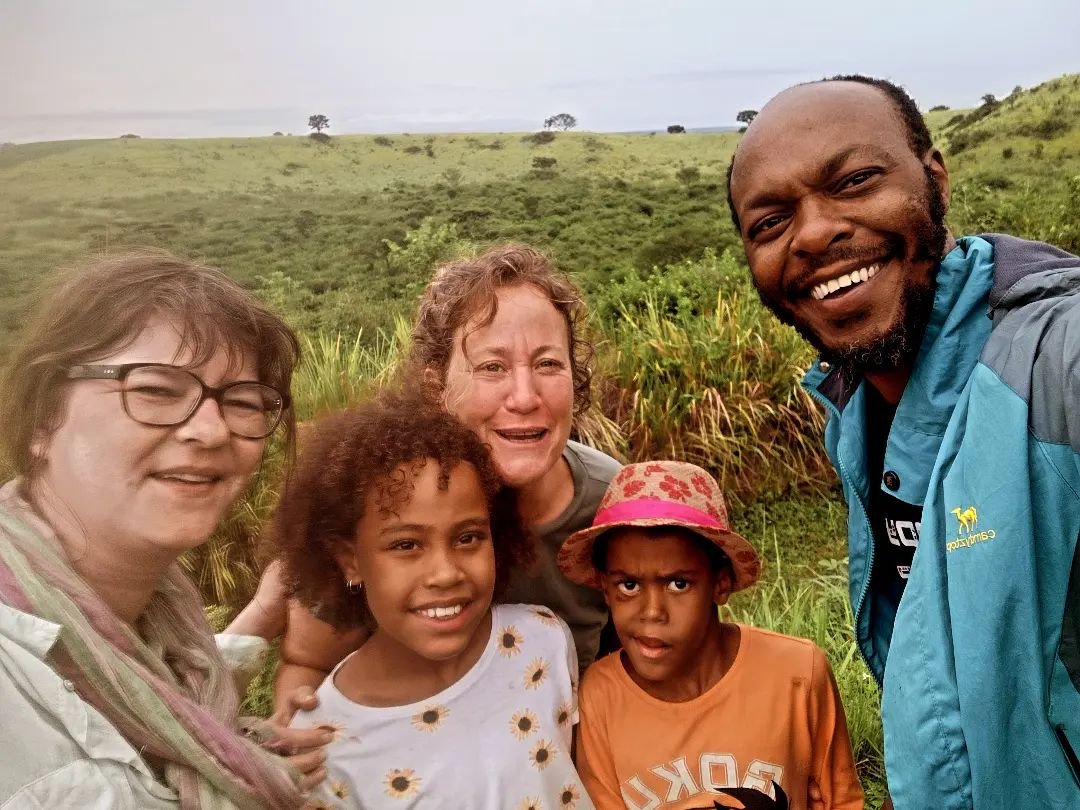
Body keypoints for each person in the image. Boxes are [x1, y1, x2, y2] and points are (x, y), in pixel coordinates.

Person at [726, 75, 1080, 809]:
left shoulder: (1053, 358)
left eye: (855, 181)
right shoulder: (854, 407)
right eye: (770, 222)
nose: (815, 233)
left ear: (934, 177)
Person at [0, 252, 331, 808]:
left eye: (243, 401)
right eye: (154, 390)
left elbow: (132, 688)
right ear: (42, 418)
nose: (211, 429)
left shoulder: (151, 620)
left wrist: (232, 742)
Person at [229, 244, 621, 699]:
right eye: (491, 367)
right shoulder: (383, 498)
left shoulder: (611, 502)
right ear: (438, 385)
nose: (525, 396)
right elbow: (309, 663)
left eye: (548, 364)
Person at [280, 392, 593, 809]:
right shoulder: (320, 744)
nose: (446, 573)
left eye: (468, 538)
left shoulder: (544, 641)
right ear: (350, 561)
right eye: (407, 544)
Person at [558, 461, 863, 810]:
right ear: (604, 587)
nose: (652, 612)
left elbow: (843, 800)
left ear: (721, 582)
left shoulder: (796, 674)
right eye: (628, 585)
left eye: (679, 584)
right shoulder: (600, 695)